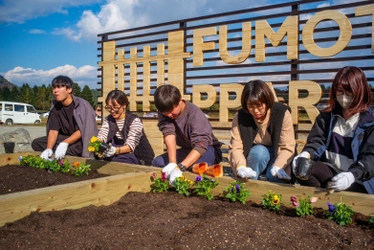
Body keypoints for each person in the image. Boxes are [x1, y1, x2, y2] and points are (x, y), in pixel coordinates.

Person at [293, 66, 374, 194]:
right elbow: (316, 141)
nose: (344, 97)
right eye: (340, 92)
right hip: (331, 171)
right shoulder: (327, 117)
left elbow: (371, 157)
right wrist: (306, 154)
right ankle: (322, 201)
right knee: (305, 168)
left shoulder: (370, 121)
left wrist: (351, 175)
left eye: (349, 93)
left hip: (358, 179)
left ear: (360, 92)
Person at [152, 84, 222, 183]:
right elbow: (169, 133)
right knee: (158, 162)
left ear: (180, 100)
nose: (169, 115)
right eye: (164, 113)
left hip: (208, 149)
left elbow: (201, 145)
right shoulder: (164, 111)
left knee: (196, 167)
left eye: (171, 111)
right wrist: (172, 163)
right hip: (187, 149)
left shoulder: (195, 115)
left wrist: (180, 167)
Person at [229, 79, 295, 183]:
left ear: (267, 101)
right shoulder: (240, 116)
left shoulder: (282, 113)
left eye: (259, 105)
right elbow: (236, 147)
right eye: (250, 106)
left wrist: (278, 166)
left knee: (274, 177)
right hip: (255, 154)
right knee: (259, 152)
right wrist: (240, 166)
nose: (255, 111)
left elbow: (287, 146)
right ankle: (248, 186)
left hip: (278, 153)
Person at [32, 75, 98, 159]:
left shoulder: (82, 105)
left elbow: (83, 130)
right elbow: (53, 130)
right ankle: (54, 153)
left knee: (82, 147)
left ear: (69, 89)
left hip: (81, 139)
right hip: (65, 138)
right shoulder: (55, 107)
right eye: (54, 87)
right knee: (36, 143)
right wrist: (48, 148)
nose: (55, 91)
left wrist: (65, 143)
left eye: (59, 87)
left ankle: (60, 156)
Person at [96, 90, 154, 165]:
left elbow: (130, 145)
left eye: (115, 107)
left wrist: (115, 150)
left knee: (117, 160)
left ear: (124, 105)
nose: (112, 111)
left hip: (137, 154)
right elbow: (103, 134)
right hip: (117, 152)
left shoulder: (134, 120)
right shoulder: (108, 119)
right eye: (109, 108)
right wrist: (98, 143)